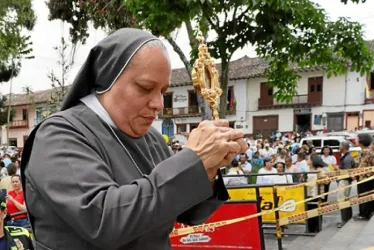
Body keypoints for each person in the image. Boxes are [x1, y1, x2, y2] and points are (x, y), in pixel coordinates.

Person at [20, 28, 247, 250]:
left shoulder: (153, 140)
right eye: (145, 88)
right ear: (107, 80)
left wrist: (206, 170)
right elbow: (105, 221)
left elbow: (189, 212)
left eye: (162, 91)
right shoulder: (59, 135)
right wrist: (193, 161)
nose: (158, 104)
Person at [354, 133, 374, 221]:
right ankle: (365, 212)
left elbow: (361, 165)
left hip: (365, 178)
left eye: (357, 138)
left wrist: (354, 173)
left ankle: (365, 214)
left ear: (362, 140)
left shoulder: (366, 152)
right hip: (364, 177)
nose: (356, 140)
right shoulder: (365, 151)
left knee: (364, 196)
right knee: (364, 195)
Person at [337, 141, 355, 228]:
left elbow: (348, 171)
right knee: (345, 200)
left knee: (342, 200)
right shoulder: (347, 156)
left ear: (343, 148)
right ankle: (347, 218)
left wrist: (338, 169)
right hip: (344, 180)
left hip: (344, 181)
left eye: (339, 146)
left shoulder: (347, 158)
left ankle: (344, 220)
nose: (339, 148)